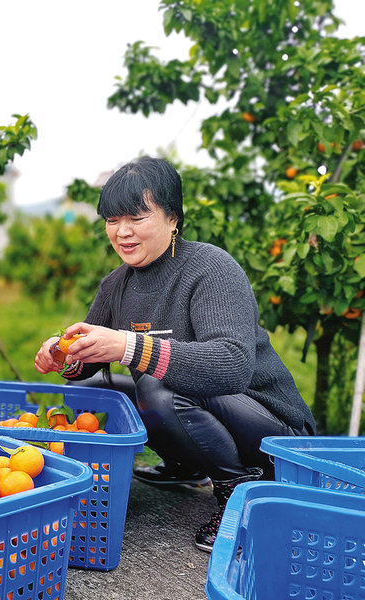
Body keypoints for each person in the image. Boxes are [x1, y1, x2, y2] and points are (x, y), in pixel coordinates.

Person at [34, 156, 315, 552]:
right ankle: (187, 465)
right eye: (112, 220)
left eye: (137, 217)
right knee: (107, 388)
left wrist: (129, 346)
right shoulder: (116, 284)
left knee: (156, 385)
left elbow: (231, 365)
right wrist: (69, 356)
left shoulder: (211, 268)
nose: (123, 232)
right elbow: (95, 358)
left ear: (173, 218)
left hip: (274, 433)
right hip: (213, 412)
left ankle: (239, 492)